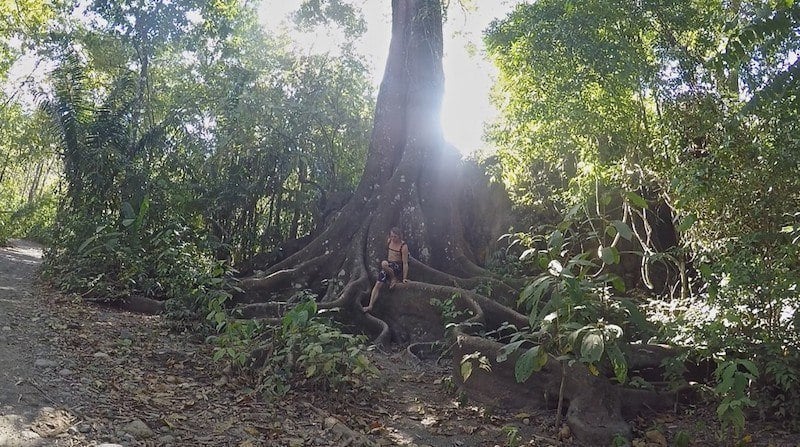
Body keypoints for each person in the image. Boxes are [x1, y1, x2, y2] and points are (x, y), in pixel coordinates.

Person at [363, 227, 409, 313]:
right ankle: (370, 306)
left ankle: (394, 278)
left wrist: (404, 278)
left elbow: (405, 263)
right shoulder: (389, 241)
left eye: (395, 236)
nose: (393, 238)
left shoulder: (403, 246)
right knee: (378, 284)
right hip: (388, 266)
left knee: (384, 264)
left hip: (397, 267)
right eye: (391, 236)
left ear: (400, 236)